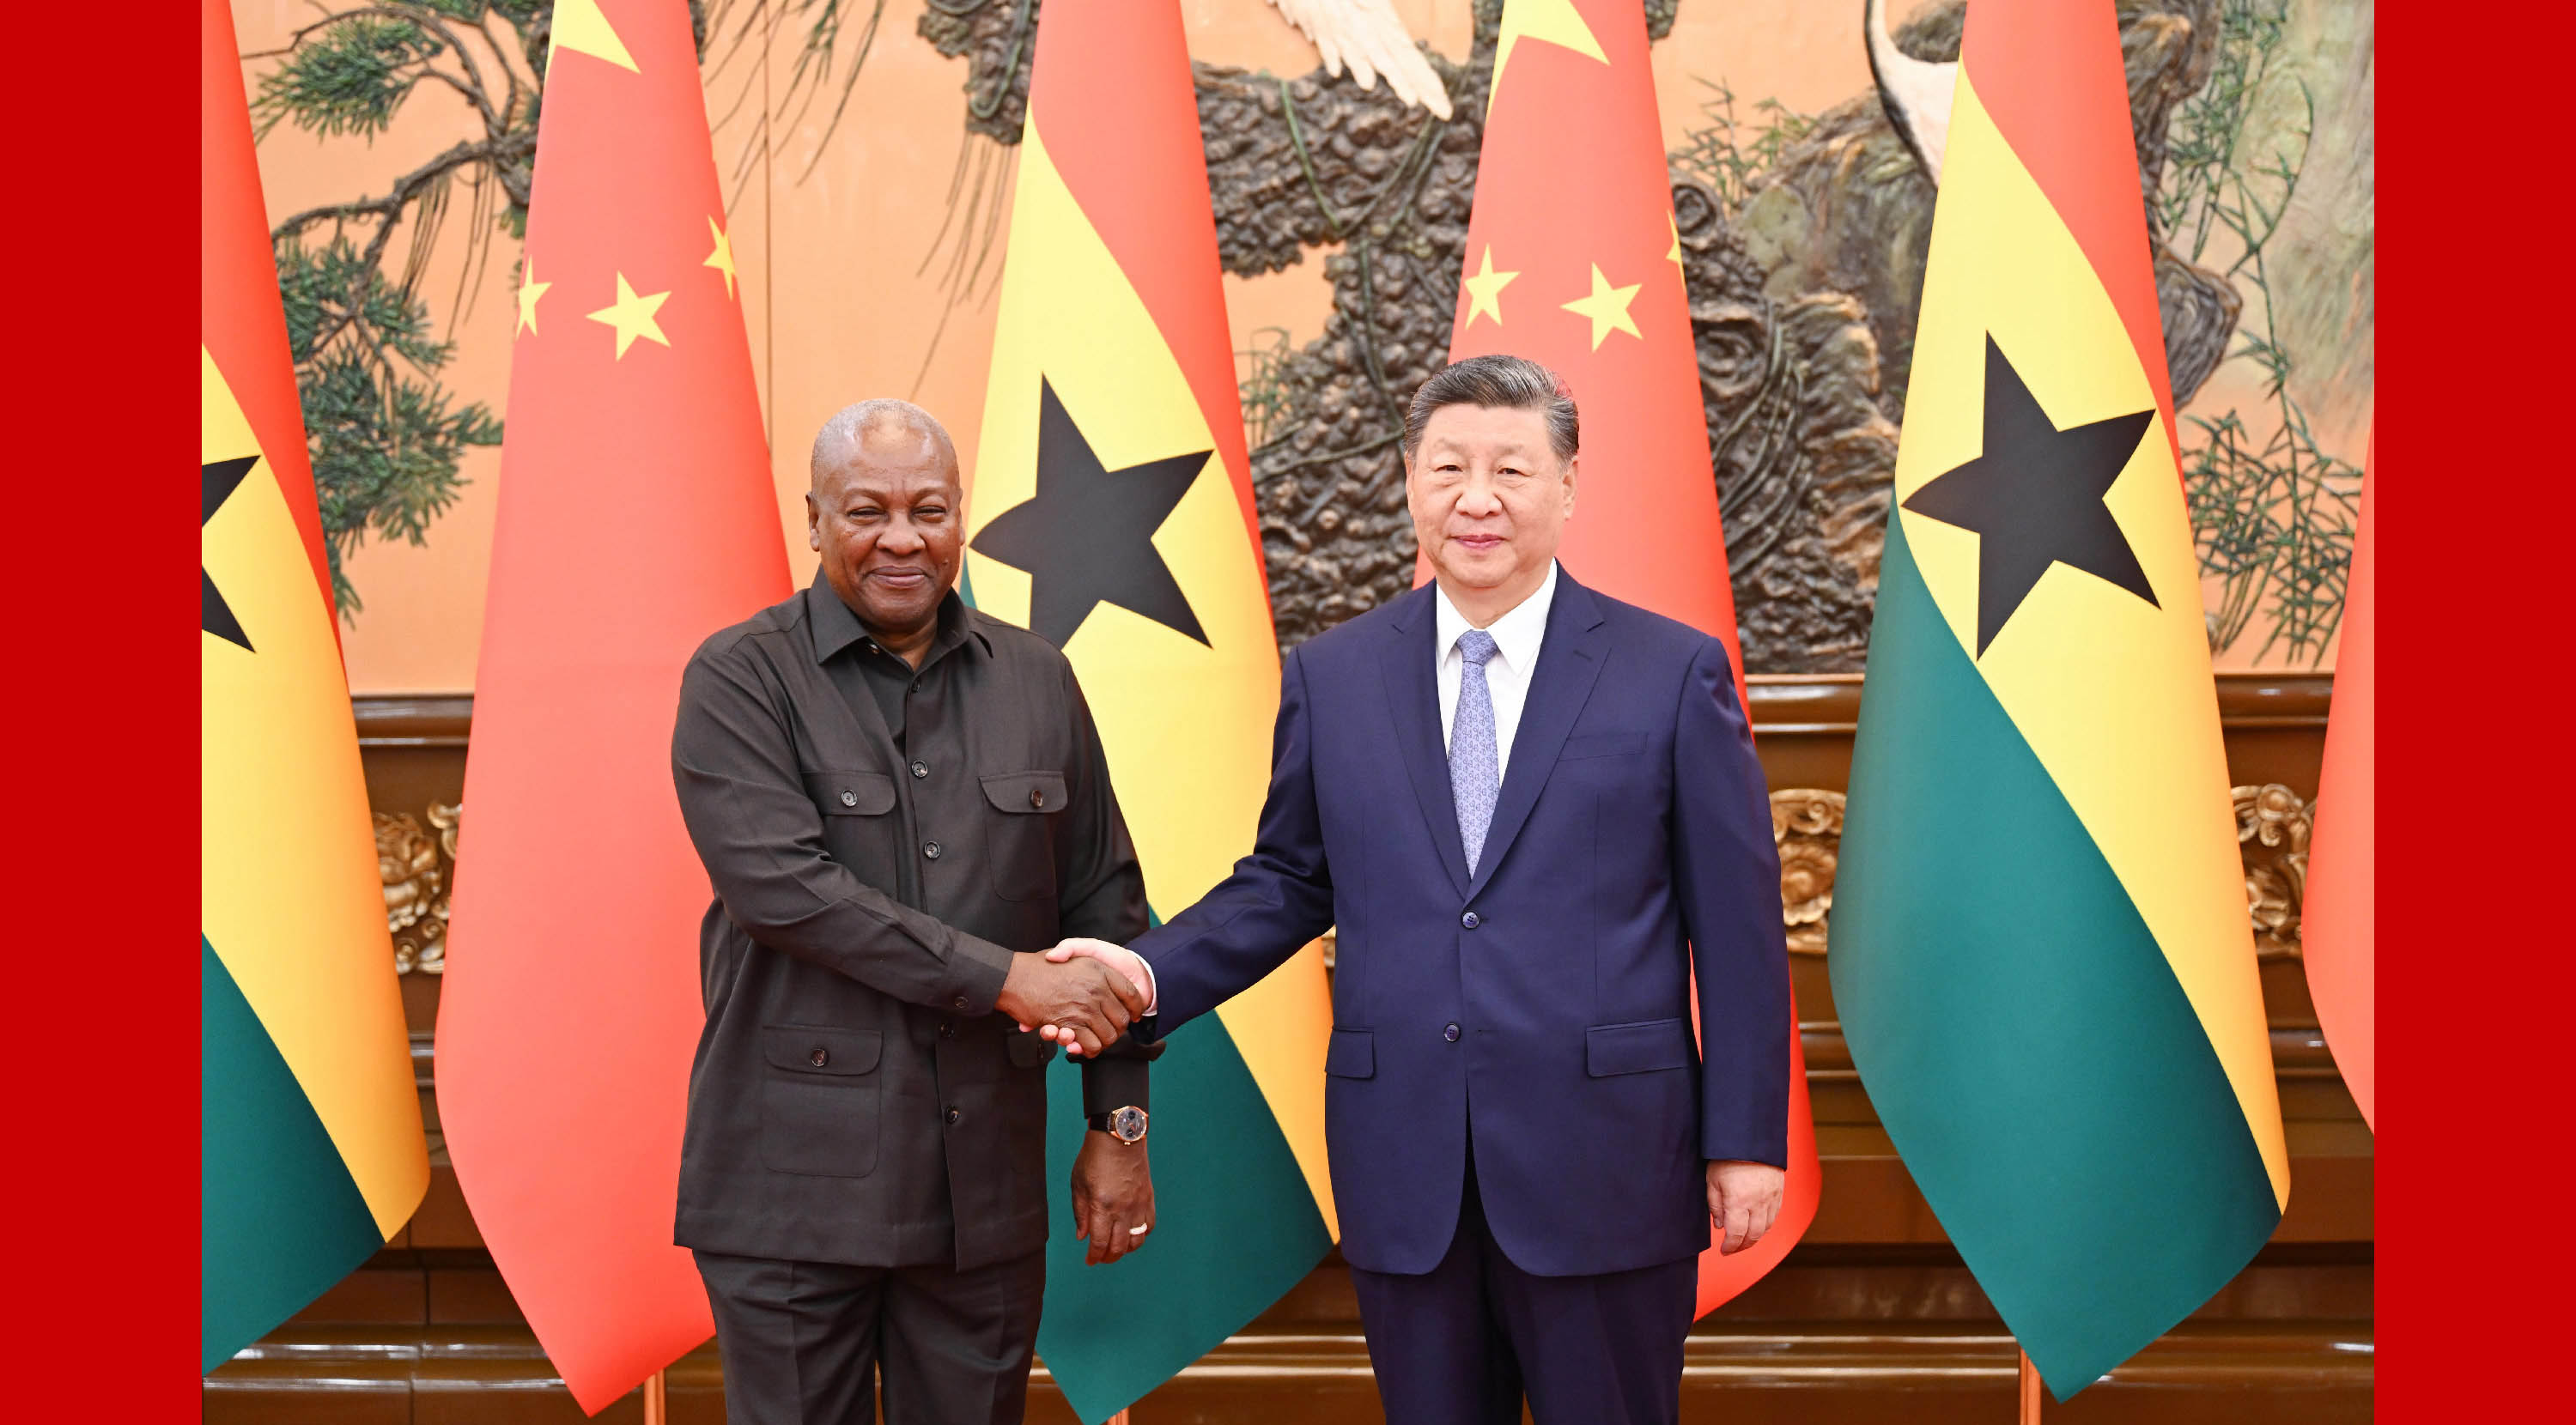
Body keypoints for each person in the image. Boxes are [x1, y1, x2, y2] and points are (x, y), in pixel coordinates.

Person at [1049, 355, 1792, 1425]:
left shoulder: (1671, 672)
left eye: (1511, 470)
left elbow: (1737, 931)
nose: (1476, 498)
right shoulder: (1334, 676)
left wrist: (1747, 1140)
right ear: (1410, 481)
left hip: (1608, 1164)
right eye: (1448, 468)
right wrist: (1139, 971)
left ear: (1568, 486)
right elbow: (1287, 881)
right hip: (1407, 1167)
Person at [669, 399, 1160, 1425]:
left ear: (960, 517)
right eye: (868, 510)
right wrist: (1007, 978)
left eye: (929, 509)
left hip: (982, 1193)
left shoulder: (1038, 679)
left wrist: (1118, 1124)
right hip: (791, 1198)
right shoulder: (740, 676)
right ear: (814, 520)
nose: (903, 538)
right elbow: (787, 893)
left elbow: (1107, 911)